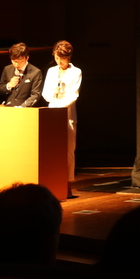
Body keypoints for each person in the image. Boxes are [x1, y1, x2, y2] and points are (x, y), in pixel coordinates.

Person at [43, 39, 81, 180]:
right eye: (57, 58)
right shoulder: (51, 71)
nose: (59, 61)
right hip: (52, 110)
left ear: (68, 57)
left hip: (67, 112)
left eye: (63, 59)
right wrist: (53, 99)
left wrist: (60, 105)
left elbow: (73, 94)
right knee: (52, 147)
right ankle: (52, 179)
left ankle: (67, 182)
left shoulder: (76, 72)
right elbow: (45, 92)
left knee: (68, 149)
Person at [0, 42, 43, 107]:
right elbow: (1, 90)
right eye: (14, 61)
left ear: (27, 58)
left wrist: (22, 107)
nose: (17, 64)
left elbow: (35, 95)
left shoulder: (36, 72)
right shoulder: (7, 69)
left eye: (20, 61)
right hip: (9, 108)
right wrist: (9, 85)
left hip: (26, 110)